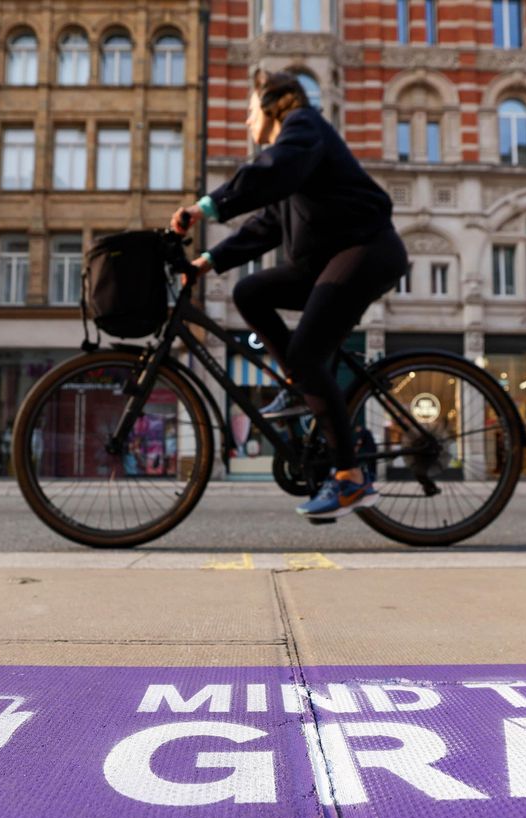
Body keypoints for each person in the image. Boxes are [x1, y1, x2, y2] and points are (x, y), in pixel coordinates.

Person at [172, 69, 408, 519]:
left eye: (248, 111)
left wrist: (205, 207)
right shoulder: (294, 164)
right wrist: (208, 260)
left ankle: (349, 480)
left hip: (367, 250)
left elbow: (271, 171)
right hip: (332, 260)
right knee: (250, 292)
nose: (245, 122)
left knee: (305, 354)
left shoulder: (304, 127)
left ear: (271, 104)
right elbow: (269, 225)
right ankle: (302, 389)